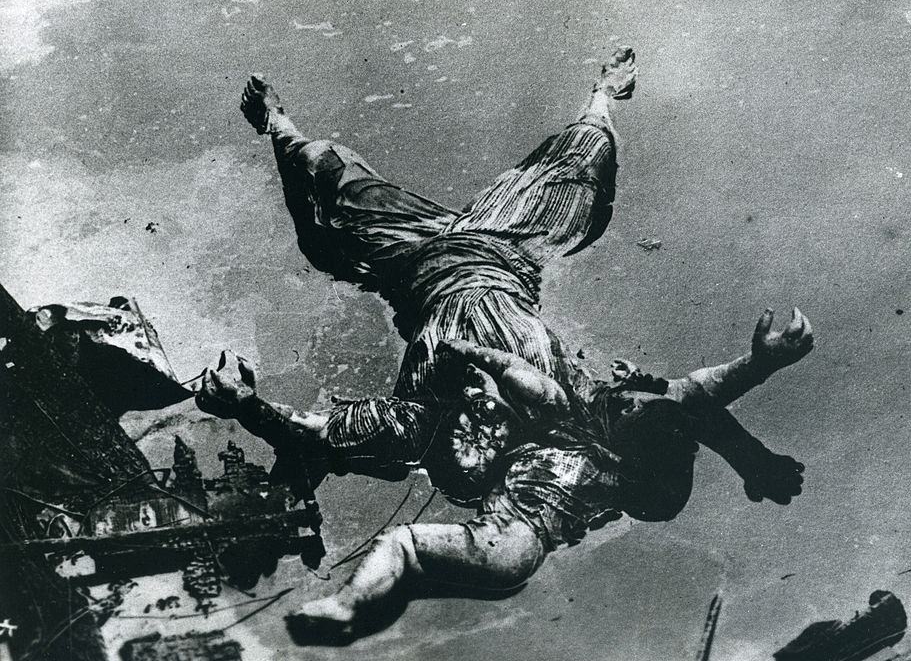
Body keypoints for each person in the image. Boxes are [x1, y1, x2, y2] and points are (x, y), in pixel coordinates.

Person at [195, 47, 813, 644]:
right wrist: (762, 368)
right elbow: (692, 398)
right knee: (584, 162)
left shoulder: (455, 451)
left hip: (417, 263)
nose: (629, 401)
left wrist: (249, 409)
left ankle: (276, 123)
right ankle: (605, 93)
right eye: (631, 411)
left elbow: (390, 523)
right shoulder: (584, 417)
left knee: (326, 182)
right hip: (504, 249)